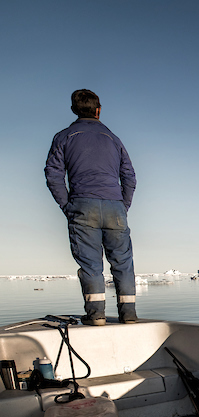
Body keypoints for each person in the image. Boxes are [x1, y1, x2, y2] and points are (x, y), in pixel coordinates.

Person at [45, 89, 137, 325]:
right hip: (115, 205)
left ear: (74, 110)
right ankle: (129, 315)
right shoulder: (113, 138)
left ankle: (96, 316)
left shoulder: (64, 136)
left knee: (90, 265)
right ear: (98, 110)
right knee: (123, 262)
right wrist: (122, 206)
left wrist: (68, 206)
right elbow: (129, 176)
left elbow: (53, 174)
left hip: (82, 205)